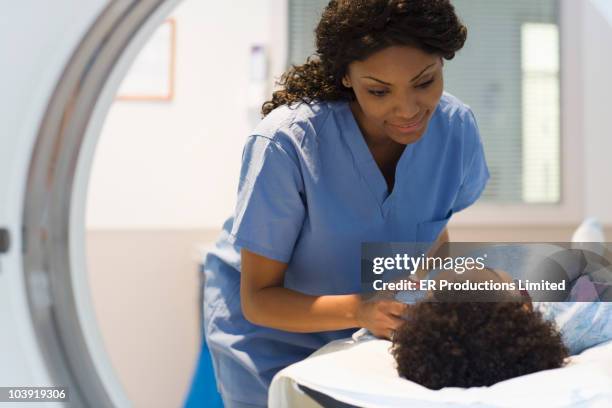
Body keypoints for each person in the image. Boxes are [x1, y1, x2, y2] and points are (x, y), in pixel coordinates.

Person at [201, 1, 489, 406]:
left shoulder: (455, 129)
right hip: (270, 338)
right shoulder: (287, 143)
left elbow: (430, 227)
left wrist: (429, 293)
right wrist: (360, 310)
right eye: (378, 90)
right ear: (346, 78)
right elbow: (259, 298)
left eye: (424, 82)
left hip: (367, 333)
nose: (408, 110)